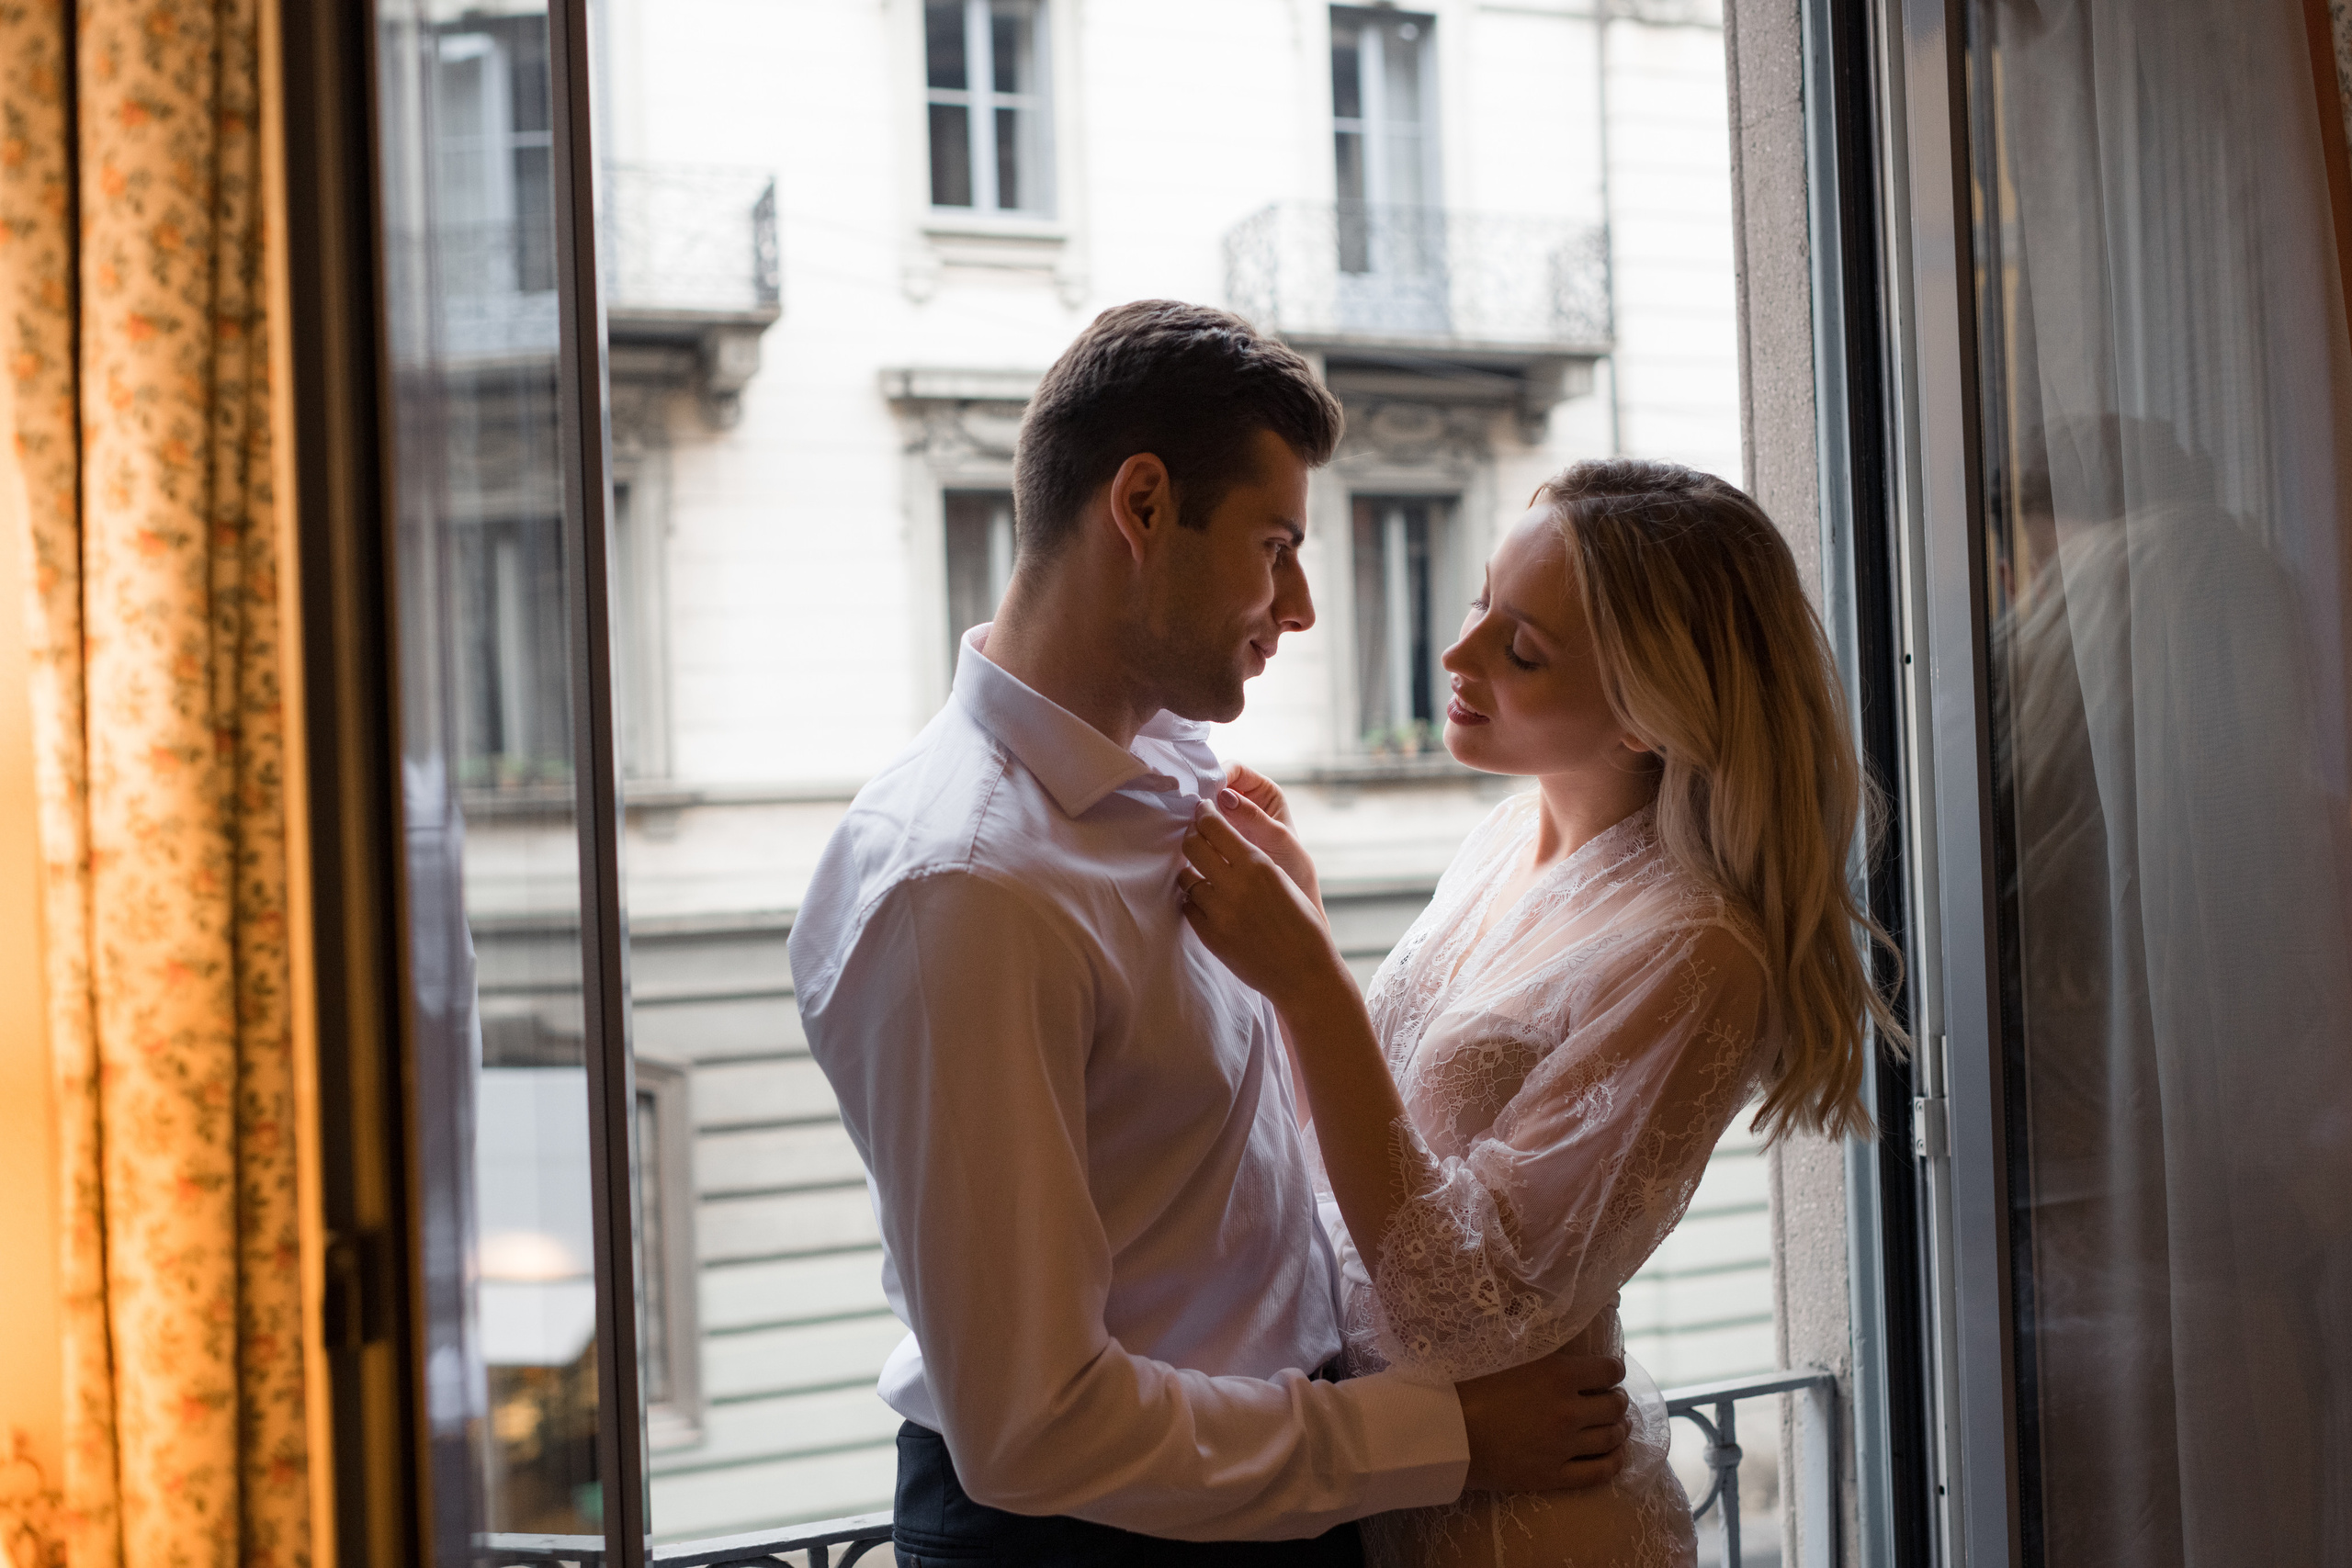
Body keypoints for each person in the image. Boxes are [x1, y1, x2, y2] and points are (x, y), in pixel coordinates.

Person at [790, 301, 1634, 1568]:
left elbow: (1224, 1177)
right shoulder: (962, 888)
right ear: (1141, 506)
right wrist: (1442, 1435)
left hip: (1267, 1494)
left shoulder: (1176, 777)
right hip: (1094, 1545)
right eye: (1275, 546)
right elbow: (1035, 1428)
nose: (1300, 607)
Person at [1175, 459, 1904, 1567]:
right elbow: (1376, 1157)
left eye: (1520, 650)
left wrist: (1310, 984)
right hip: (1402, 1476)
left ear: (1646, 718)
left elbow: (1460, 1308)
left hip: (1527, 1527)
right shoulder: (1505, 841)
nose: (1456, 655)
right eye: (1480, 603)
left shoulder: (1696, 951)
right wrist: (1302, 929)